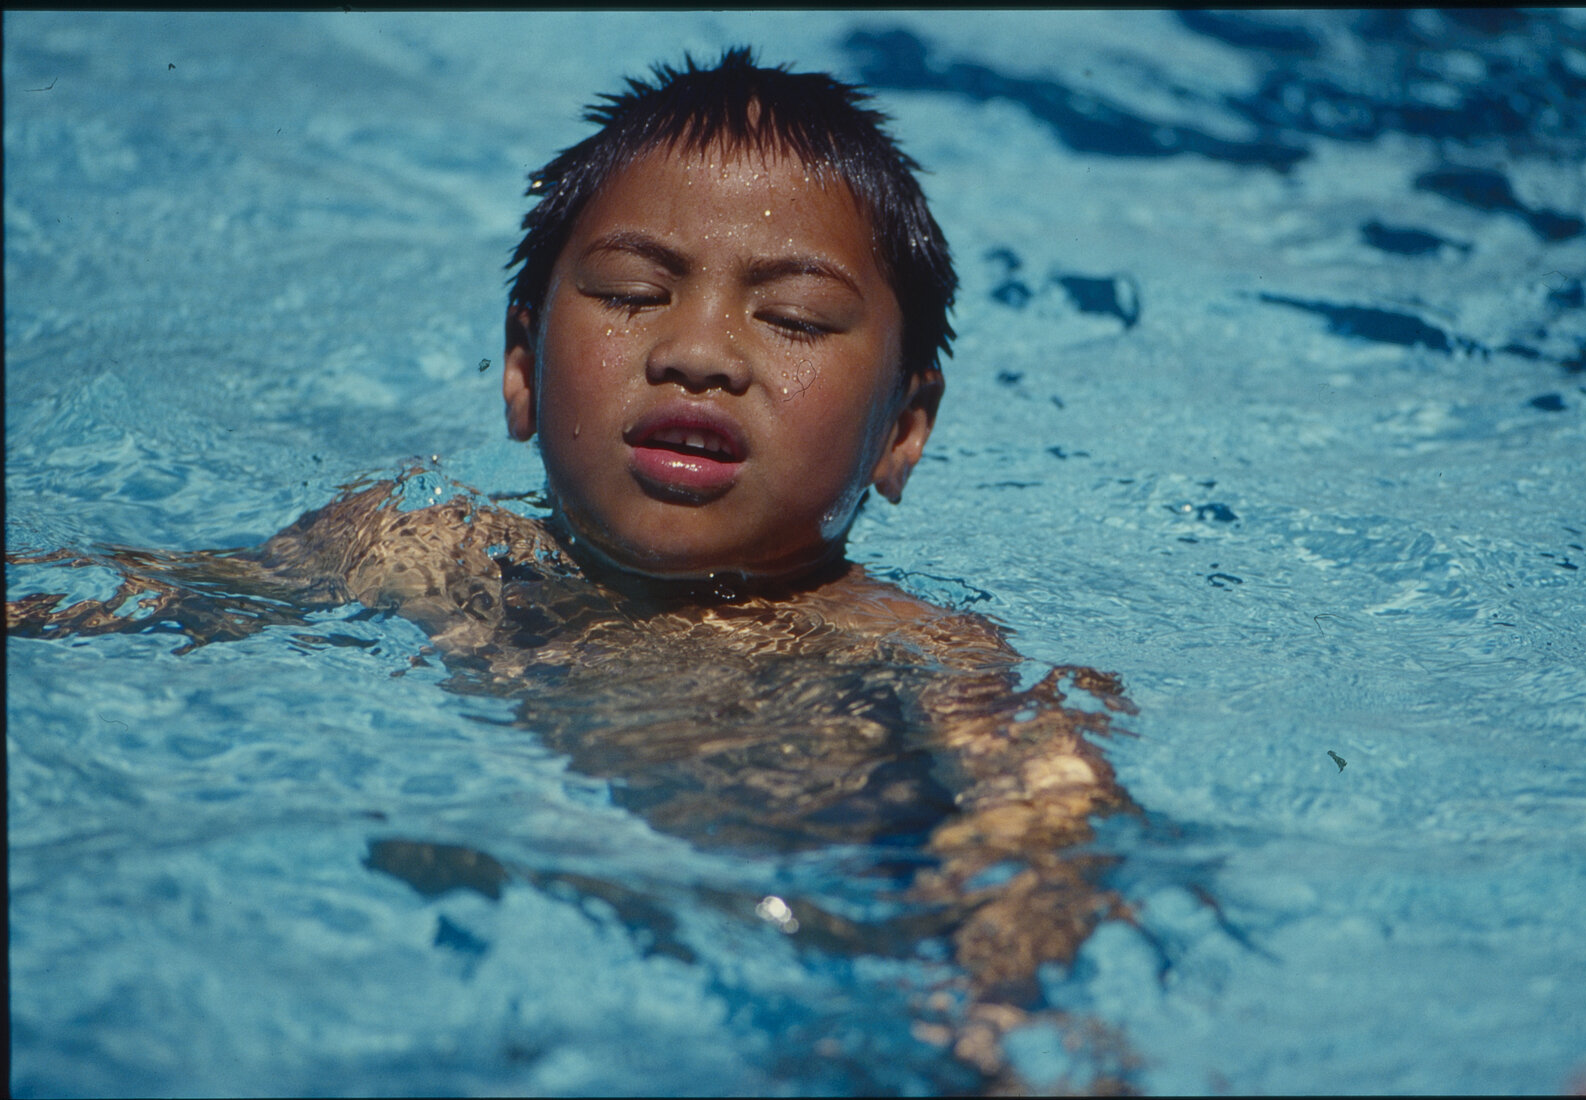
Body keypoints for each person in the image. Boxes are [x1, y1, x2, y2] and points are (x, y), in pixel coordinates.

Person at [7, 48, 1138, 1091]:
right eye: (633, 295)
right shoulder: (424, 551)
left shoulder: (922, 656)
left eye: (793, 316)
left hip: (834, 971)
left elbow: (1049, 833)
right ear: (520, 366)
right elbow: (153, 591)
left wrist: (996, 996)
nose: (696, 352)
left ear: (902, 427)